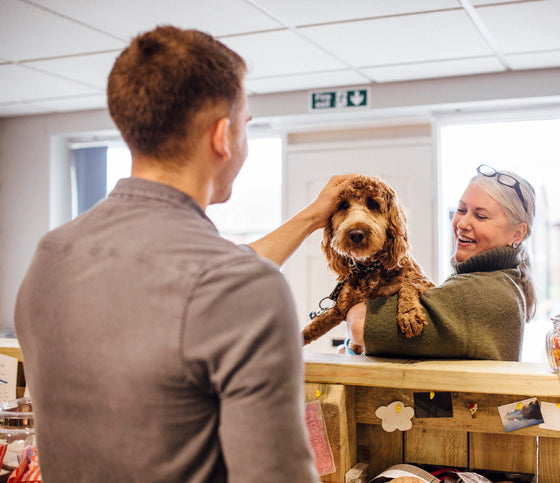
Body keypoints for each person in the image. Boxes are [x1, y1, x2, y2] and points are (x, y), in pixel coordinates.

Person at [14, 26, 353, 483]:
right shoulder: (240, 287)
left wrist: (313, 218)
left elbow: (201, 279)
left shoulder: (50, 257)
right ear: (222, 136)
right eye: (246, 125)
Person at [344, 164, 536, 359]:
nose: (462, 224)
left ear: (517, 233)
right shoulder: (500, 282)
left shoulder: (483, 293)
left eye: (480, 216)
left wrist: (353, 308)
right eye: (461, 210)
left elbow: (359, 326)